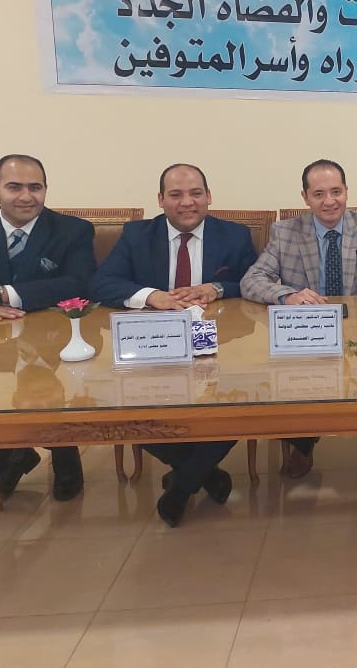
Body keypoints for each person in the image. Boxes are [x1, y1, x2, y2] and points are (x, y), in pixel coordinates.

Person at [90, 163, 257, 527]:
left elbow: (256, 281)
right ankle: (199, 473)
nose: (187, 203)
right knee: (129, 407)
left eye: (195, 193)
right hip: (153, 345)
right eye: (176, 195)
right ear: (161, 199)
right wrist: (151, 296)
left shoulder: (234, 235)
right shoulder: (137, 235)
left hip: (217, 345)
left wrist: (217, 288)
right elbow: (101, 283)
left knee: (241, 401)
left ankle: (182, 484)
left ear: (208, 197)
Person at [0, 154, 94, 506]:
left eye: (35, 187)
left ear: (45, 189)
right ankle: (11, 457)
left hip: (56, 342)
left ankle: (64, 453)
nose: (26, 196)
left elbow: (80, 283)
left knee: (54, 387)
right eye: (14, 187)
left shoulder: (73, 230)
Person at [241, 159, 357, 477]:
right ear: (305, 197)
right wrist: (288, 296)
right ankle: (303, 443)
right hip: (308, 331)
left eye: (336, 191)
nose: (329, 201)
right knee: (295, 374)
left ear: (347, 191)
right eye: (319, 194)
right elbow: (251, 281)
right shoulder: (285, 232)